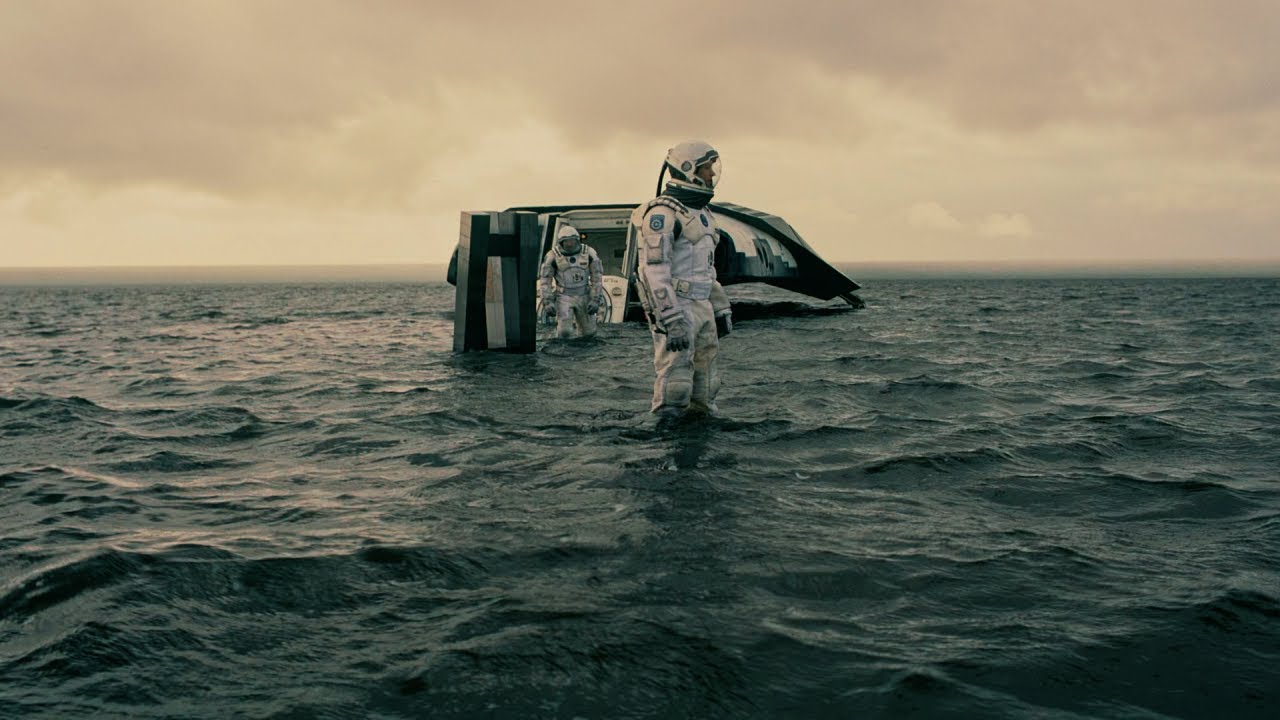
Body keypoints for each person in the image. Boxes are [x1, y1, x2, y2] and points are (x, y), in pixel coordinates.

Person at [630, 140, 733, 418]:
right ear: (688, 169)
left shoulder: (703, 214)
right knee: (676, 379)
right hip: (679, 306)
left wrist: (720, 308)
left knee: (706, 380)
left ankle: (701, 430)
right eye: (706, 168)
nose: (712, 174)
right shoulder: (662, 214)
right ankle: (666, 433)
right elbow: (654, 273)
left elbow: (706, 270)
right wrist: (671, 319)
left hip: (702, 305)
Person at [538, 223, 604, 339]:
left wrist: (595, 299)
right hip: (564, 297)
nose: (569, 244)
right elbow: (545, 280)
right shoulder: (553, 256)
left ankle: (582, 348)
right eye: (566, 241)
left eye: (572, 241)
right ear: (561, 242)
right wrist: (548, 302)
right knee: (565, 332)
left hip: (584, 295)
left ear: (577, 240)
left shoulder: (589, 253)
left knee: (589, 332)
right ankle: (559, 342)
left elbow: (597, 277)